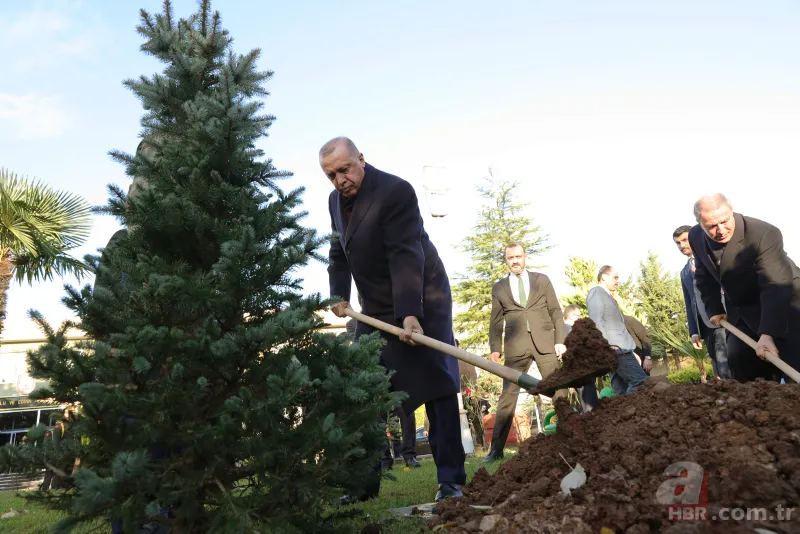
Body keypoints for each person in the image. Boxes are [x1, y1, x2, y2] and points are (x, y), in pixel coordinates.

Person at [321, 137, 465, 502]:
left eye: (345, 169)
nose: (340, 180)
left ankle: (450, 480)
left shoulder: (395, 191)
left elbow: (405, 254)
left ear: (362, 160)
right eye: (331, 174)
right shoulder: (335, 202)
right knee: (361, 385)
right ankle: (361, 486)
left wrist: (410, 314)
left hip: (421, 297)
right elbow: (338, 251)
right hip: (373, 309)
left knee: (439, 386)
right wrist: (340, 297)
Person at [688, 193, 800, 382]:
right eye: (712, 226)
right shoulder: (696, 236)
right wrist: (714, 308)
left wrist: (768, 333)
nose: (721, 230)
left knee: (791, 362)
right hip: (742, 309)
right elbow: (703, 275)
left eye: (725, 221)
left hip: (784, 302)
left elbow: (774, 284)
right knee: (740, 360)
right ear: (700, 222)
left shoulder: (763, 233)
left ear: (731, 211)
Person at [484, 243, 567, 462]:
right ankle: (496, 450)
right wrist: (495, 348)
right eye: (510, 257)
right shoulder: (499, 287)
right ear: (506, 260)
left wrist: (560, 341)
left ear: (525, 257)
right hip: (515, 348)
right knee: (507, 398)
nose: (515, 261)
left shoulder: (542, 280)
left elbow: (556, 312)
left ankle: (569, 437)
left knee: (558, 389)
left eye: (518, 256)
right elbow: (495, 321)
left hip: (546, 344)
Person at [673, 225, 730, 378]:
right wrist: (694, 332)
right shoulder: (684, 272)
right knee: (717, 365)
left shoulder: (711, 258)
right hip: (705, 325)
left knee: (727, 363)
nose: (682, 245)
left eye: (685, 240)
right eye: (678, 243)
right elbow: (689, 302)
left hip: (723, 318)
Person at [587, 266, 647, 395]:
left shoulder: (607, 296)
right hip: (615, 349)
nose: (617, 281)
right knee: (640, 382)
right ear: (604, 276)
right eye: (615, 277)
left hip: (618, 349)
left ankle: (626, 414)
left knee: (621, 389)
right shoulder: (597, 292)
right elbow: (596, 322)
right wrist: (606, 349)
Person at [563, 304, 599, 411]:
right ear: (571, 315)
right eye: (578, 316)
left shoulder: (565, 330)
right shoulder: (569, 330)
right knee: (590, 408)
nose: (580, 318)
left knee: (589, 406)